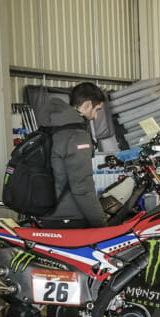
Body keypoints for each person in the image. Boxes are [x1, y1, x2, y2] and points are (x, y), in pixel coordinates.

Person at [39, 82, 108, 229]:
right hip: (70, 216)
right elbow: (82, 186)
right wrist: (100, 223)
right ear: (88, 105)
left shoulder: (52, 128)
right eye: (97, 110)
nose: (96, 117)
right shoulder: (76, 135)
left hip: (47, 211)